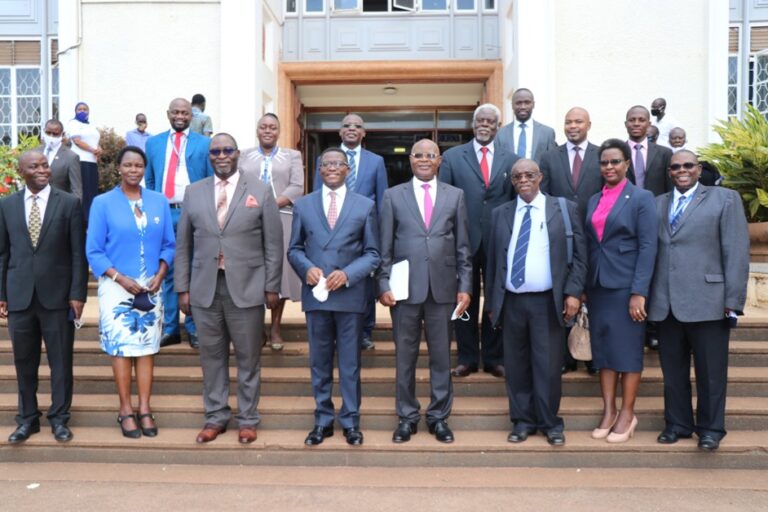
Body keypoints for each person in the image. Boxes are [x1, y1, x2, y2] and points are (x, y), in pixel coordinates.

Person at [175, 133, 283, 444]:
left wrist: (272, 286)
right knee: (211, 358)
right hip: (205, 289)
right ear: (209, 157)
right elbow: (184, 245)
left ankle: (248, 419)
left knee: (249, 358)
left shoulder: (260, 190)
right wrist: (183, 288)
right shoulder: (194, 192)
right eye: (215, 151)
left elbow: (273, 244)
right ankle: (216, 417)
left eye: (227, 150)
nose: (221, 155)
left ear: (238, 154)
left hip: (247, 288)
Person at [649, 150, 749, 451]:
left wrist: (733, 300)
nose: (682, 170)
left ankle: (710, 428)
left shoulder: (724, 199)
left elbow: (736, 252)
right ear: (669, 172)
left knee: (711, 372)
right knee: (673, 371)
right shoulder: (658, 204)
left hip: (710, 301)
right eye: (675, 167)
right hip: (666, 303)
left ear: (698, 169)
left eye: (688, 165)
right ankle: (678, 424)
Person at [485, 159, 587, 446]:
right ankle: (522, 421)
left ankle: (550, 422)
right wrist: (493, 302)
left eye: (529, 174)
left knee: (548, 365)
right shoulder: (500, 214)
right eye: (517, 176)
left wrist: (573, 293)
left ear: (541, 176)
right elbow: (493, 262)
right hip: (511, 302)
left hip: (548, 302)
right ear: (512, 181)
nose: (523, 180)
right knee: (516, 366)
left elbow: (580, 257)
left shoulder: (564, 209)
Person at [378, 139, 472, 444]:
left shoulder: (455, 196)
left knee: (442, 358)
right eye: (418, 155)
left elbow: (463, 247)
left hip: (443, 289)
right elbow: (384, 247)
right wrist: (382, 284)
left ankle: (438, 417)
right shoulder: (393, 196)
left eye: (430, 155)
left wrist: (466, 287)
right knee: (404, 357)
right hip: (404, 291)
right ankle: (407, 417)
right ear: (410, 160)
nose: (424, 160)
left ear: (439, 160)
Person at [289, 147, 380, 447]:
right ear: (318, 169)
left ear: (347, 170)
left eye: (337, 164)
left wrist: (349, 273)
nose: (331, 168)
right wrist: (307, 269)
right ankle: (322, 421)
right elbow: (294, 249)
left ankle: (351, 421)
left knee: (351, 363)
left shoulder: (364, 205)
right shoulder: (303, 205)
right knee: (319, 361)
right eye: (325, 163)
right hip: (317, 296)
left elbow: (373, 253)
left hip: (351, 295)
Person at [86, 146, 175, 439]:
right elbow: (94, 251)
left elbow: (169, 245)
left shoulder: (158, 202)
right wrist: (120, 279)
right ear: (119, 169)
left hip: (151, 286)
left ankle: (145, 408)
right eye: (128, 165)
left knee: (148, 348)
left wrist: (161, 274)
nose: (133, 170)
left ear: (144, 169)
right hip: (115, 286)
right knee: (121, 349)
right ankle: (125, 409)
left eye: (139, 165)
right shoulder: (102, 203)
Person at [0, 150, 88, 444]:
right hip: (19, 297)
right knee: (24, 362)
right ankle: (27, 420)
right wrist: (2, 293)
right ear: (21, 170)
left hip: (59, 297)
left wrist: (78, 294)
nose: (42, 170)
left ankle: (59, 419)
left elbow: (78, 253)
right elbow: (3, 253)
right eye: (34, 166)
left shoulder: (70, 203)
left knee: (61, 362)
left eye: (45, 165)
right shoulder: (7, 205)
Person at [584, 139, 658, 443]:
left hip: (627, 287)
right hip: (599, 287)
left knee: (627, 351)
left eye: (615, 161)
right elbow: (591, 243)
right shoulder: (593, 199)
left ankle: (628, 413)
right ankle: (609, 410)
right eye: (604, 162)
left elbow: (648, 245)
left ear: (627, 163)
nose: (609, 167)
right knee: (603, 351)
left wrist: (639, 291)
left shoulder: (641, 197)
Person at [438, 103, 519, 379]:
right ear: (473, 125)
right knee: (464, 300)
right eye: (480, 121)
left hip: (498, 240)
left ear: (498, 126)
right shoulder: (452, 157)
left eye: (491, 122)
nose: (485, 125)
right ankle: (467, 357)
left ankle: (494, 357)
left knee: (496, 299)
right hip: (462, 240)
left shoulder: (512, 159)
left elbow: (514, 202)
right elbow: (444, 200)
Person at [312, 113, 388, 351]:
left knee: (364, 279)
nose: (352, 129)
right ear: (340, 132)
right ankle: (333, 329)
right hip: (332, 228)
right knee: (332, 275)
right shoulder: (326, 159)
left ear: (364, 133)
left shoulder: (376, 161)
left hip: (364, 229)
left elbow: (382, 199)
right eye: (347, 125)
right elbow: (317, 194)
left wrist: (381, 231)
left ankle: (365, 331)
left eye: (357, 126)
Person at [145, 98, 214, 349]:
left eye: (185, 113)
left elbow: (210, 180)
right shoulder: (153, 143)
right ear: (168, 113)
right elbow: (150, 180)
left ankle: (194, 328)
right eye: (176, 112)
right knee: (168, 270)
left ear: (191, 116)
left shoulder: (204, 144)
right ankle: (171, 328)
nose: (180, 116)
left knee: (194, 271)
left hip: (194, 212)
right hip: (165, 213)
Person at [539, 107, 601, 375]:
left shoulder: (602, 156)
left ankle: (593, 356)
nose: (573, 126)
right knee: (565, 292)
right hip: (562, 236)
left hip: (596, 234)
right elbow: (544, 195)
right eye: (568, 122)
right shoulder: (550, 156)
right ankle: (566, 355)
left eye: (578, 121)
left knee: (593, 294)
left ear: (589, 124)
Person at [239, 113, 304, 350]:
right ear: (257, 130)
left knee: (280, 271)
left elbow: (297, 186)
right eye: (263, 127)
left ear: (278, 131)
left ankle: (276, 327)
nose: (268, 130)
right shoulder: (244, 155)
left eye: (273, 127)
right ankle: (257, 329)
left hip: (282, 217)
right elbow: (238, 183)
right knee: (252, 271)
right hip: (248, 219)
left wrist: (269, 204)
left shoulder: (292, 156)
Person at [496, 88, 557, 163]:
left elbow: (553, 161)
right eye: (518, 103)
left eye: (527, 102)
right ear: (512, 105)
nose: (523, 107)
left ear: (533, 104)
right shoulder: (500, 133)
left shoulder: (547, 133)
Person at [626, 105, 673, 197]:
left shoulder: (665, 154)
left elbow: (670, 187)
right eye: (632, 120)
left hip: (656, 207)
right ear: (626, 124)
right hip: (625, 208)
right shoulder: (618, 153)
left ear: (649, 124)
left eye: (641, 120)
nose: (636, 123)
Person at [65, 102, 101, 222]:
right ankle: (82, 221)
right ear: (75, 111)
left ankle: (91, 220)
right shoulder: (73, 123)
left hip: (92, 162)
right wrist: (93, 150)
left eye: (85, 109)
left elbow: (94, 141)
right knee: (83, 192)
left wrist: (99, 149)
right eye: (79, 109)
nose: (82, 111)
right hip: (80, 161)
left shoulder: (91, 125)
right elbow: (77, 141)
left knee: (92, 191)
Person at [40, 119, 82, 200]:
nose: (51, 136)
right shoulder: (34, 152)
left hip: (59, 204)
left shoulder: (71, 157)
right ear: (44, 131)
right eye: (48, 133)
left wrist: (74, 210)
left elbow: (76, 189)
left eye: (55, 134)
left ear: (62, 134)